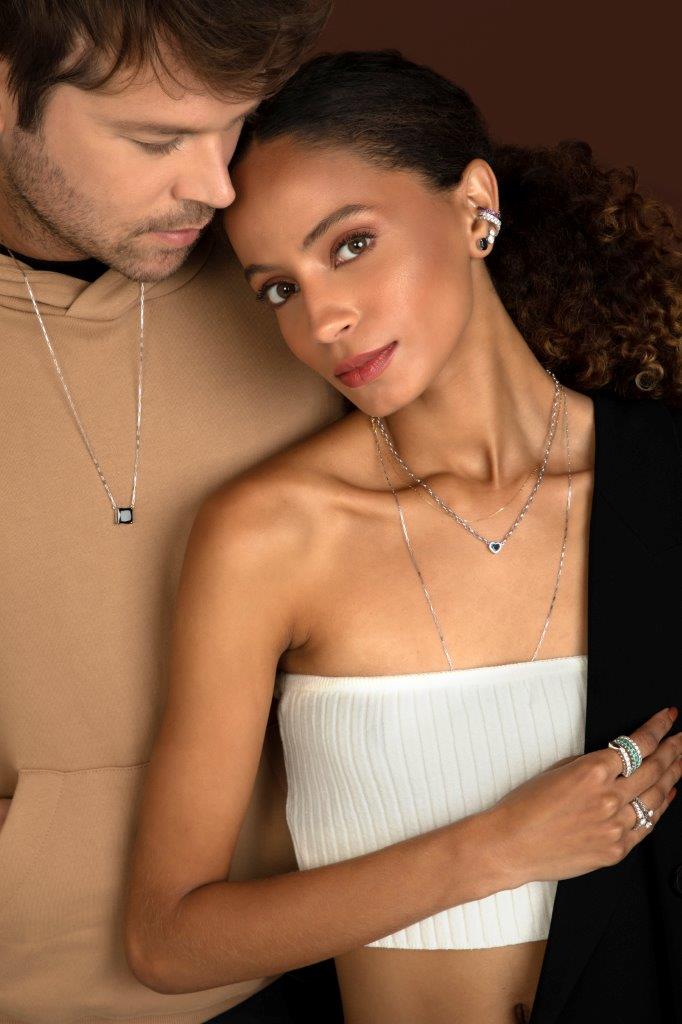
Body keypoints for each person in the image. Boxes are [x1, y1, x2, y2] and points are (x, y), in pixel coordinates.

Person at [124, 51, 682, 1024]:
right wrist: (496, 848)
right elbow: (167, 940)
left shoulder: (660, 483)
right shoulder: (271, 535)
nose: (323, 319)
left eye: (349, 245)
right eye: (277, 289)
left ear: (474, 208)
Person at [0, 4, 348, 1023]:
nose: (217, 183)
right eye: (157, 140)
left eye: (234, 122)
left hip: (328, 968)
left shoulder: (300, 279)